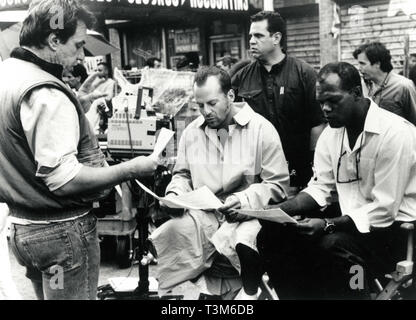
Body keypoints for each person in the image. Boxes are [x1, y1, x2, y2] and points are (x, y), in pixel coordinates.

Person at [0, 0, 158, 300]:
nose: (82, 55)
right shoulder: (46, 93)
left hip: (25, 231)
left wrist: (77, 104)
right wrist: (129, 169)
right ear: (54, 39)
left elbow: (23, 136)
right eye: (77, 45)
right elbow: (64, 179)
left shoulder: (9, 73)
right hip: (61, 237)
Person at [257, 62, 416, 299]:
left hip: (395, 234)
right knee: (273, 236)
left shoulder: (395, 134)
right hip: (348, 225)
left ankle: (357, 294)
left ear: (355, 93)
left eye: (333, 101)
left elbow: (384, 210)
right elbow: (321, 187)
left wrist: (328, 224)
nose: (325, 109)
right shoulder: (331, 135)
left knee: (333, 247)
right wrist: (277, 211)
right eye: (320, 102)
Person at [148, 66, 289, 299]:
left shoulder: (261, 129)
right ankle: (212, 293)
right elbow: (182, 175)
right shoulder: (192, 133)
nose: (205, 112)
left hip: (248, 215)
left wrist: (243, 199)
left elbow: (277, 185)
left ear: (230, 96)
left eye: (212, 103)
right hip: (205, 215)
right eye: (199, 105)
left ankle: (248, 293)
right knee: (167, 236)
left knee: (243, 244)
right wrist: (174, 196)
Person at [232, 11, 326, 193]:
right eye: (251, 35)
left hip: (298, 173)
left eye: (258, 35)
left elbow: (317, 125)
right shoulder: (240, 78)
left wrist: (313, 168)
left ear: (276, 38)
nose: (251, 41)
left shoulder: (304, 73)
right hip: (256, 176)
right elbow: (227, 123)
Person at [353, 42, 416, 125]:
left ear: (377, 64)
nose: (359, 68)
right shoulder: (362, 86)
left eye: (362, 63)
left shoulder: (403, 86)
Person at [85, 61, 116, 134]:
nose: (97, 72)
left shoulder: (111, 83)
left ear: (106, 71)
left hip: (103, 112)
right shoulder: (95, 82)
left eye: (100, 70)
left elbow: (108, 98)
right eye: (96, 70)